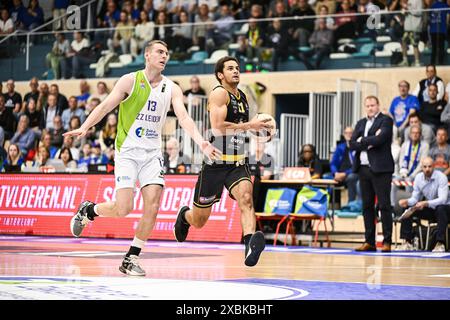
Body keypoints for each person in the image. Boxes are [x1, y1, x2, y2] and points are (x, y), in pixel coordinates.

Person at [64, 40, 219, 276]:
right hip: (127, 152)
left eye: (166, 53)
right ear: (147, 55)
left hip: (152, 155)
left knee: (153, 205)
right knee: (123, 208)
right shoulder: (130, 80)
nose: (164, 55)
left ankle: (131, 257)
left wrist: (202, 143)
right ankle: (89, 211)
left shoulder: (172, 88)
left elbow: (184, 118)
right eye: (159, 51)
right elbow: (105, 107)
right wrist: (85, 127)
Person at [172, 56, 272, 267]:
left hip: (238, 162)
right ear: (220, 74)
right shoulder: (219, 93)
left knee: (246, 199)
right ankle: (185, 216)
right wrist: (250, 126)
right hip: (215, 164)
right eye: (230, 68)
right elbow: (217, 126)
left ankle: (249, 246)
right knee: (200, 220)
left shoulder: (242, 96)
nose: (236, 71)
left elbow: (244, 125)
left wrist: (262, 131)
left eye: (237, 68)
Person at [350, 96, 394, 252]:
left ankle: (387, 241)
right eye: (367, 105)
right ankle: (369, 241)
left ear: (378, 105)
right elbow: (352, 143)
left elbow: (381, 139)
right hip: (363, 169)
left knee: (384, 205)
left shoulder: (385, 120)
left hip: (381, 169)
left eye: (372, 105)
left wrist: (364, 140)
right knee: (366, 206)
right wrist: (369, 140)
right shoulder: (361, 123)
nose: (370, 108)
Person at [397, 157, 449, 252]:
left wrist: (426, 203)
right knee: (408, 208)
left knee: (441, 208)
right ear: (421, 167)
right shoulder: (418, 178)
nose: (427, 169)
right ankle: (407, 242)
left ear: (434, 166)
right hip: (430, 209)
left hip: (445, 210)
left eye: (430, 166)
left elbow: (443, 200)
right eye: (425, 167)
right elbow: (415, 199)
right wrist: (407, 201)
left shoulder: (441, 177)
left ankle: (440, 243)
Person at [330, 126, 360, 204]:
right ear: (344, 134)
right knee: (326, 177)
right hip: (339, 174)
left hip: (353, 173)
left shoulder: (357, 147)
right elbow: (333, 163)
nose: (349, 135)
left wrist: (345, 173)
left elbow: (356, 165)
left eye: (351, 133)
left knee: (351, 178)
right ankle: (331, 205)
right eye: (347, 133)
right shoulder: (340, 147)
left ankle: (351, 204)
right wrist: (335, 173)